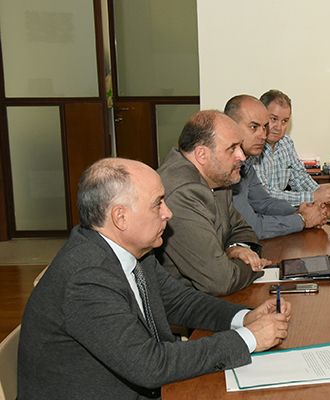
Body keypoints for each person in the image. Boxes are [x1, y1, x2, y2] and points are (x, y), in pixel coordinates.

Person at [18, 158, 291, 399]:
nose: (168, 213)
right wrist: (249, 339)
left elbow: (180, 302)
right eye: (157, 203)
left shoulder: (135, 252)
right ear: (120, 217)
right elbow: (149, 365)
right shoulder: (86, 278)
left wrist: (244, 318)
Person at [157, 110, 268, 296]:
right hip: (183, 312)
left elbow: (242, 229)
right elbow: (220, 281)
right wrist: (254, 265)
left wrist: (235, 248)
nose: (242, 155)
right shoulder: (181, 193)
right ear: (202, 154)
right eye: (232, 148)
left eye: (240, 146)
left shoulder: (218, 179)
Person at [224, 94, 327, 239]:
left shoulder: (245, 163)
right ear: (231, 126)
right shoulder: (225, 166)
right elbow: (253, 228)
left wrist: (299, 211)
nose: (263, 135)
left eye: (264, 127)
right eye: (254, 127)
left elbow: (264, 202)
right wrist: (302, 220)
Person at [251, 89, 330, 206]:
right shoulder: (253, 146)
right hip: (258, 213)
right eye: (273, 119)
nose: (279, 127)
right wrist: (314, 196)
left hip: (279, 210)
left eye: (284, 121)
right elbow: (265, 195)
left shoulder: (286, 142)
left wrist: (323, 192)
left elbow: (299, 177)